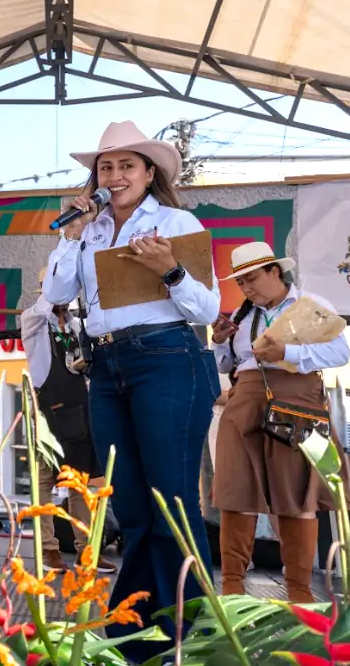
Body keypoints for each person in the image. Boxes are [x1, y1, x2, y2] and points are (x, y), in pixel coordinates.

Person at [43, 120, 220, 660]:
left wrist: (171, 271)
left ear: (149, 173)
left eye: (126, 165)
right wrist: (71, 237)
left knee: (171, 496)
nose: (115, 175)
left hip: (166, 358)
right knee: (132, 505)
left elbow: (207, 309)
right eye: (106, 166)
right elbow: (55, 290)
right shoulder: (89, 229)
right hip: (106, 365)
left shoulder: (174, 221)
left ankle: (193, 625)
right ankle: (138, 627)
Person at [212, 242, 348, 602]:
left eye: (252, 278)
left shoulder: (311, 306)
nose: (246, 288)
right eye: (240, 282)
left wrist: (287, 352)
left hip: (298, 403)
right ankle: (232, 590)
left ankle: (300, 593)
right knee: (236, 492)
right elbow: (228, 367)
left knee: (297, 496)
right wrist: (220, 343)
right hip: (245, 404)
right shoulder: (240, 316)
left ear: (275, 271)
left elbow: (340, 352)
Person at [20, 271, 115, 574]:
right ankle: (48, 550)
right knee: (45, 481)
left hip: (78, 410)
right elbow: (40, 311)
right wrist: (54, 291)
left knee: (80, 483)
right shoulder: (34, 323)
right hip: (47, 409)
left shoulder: (77, 327)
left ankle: (87, 550)